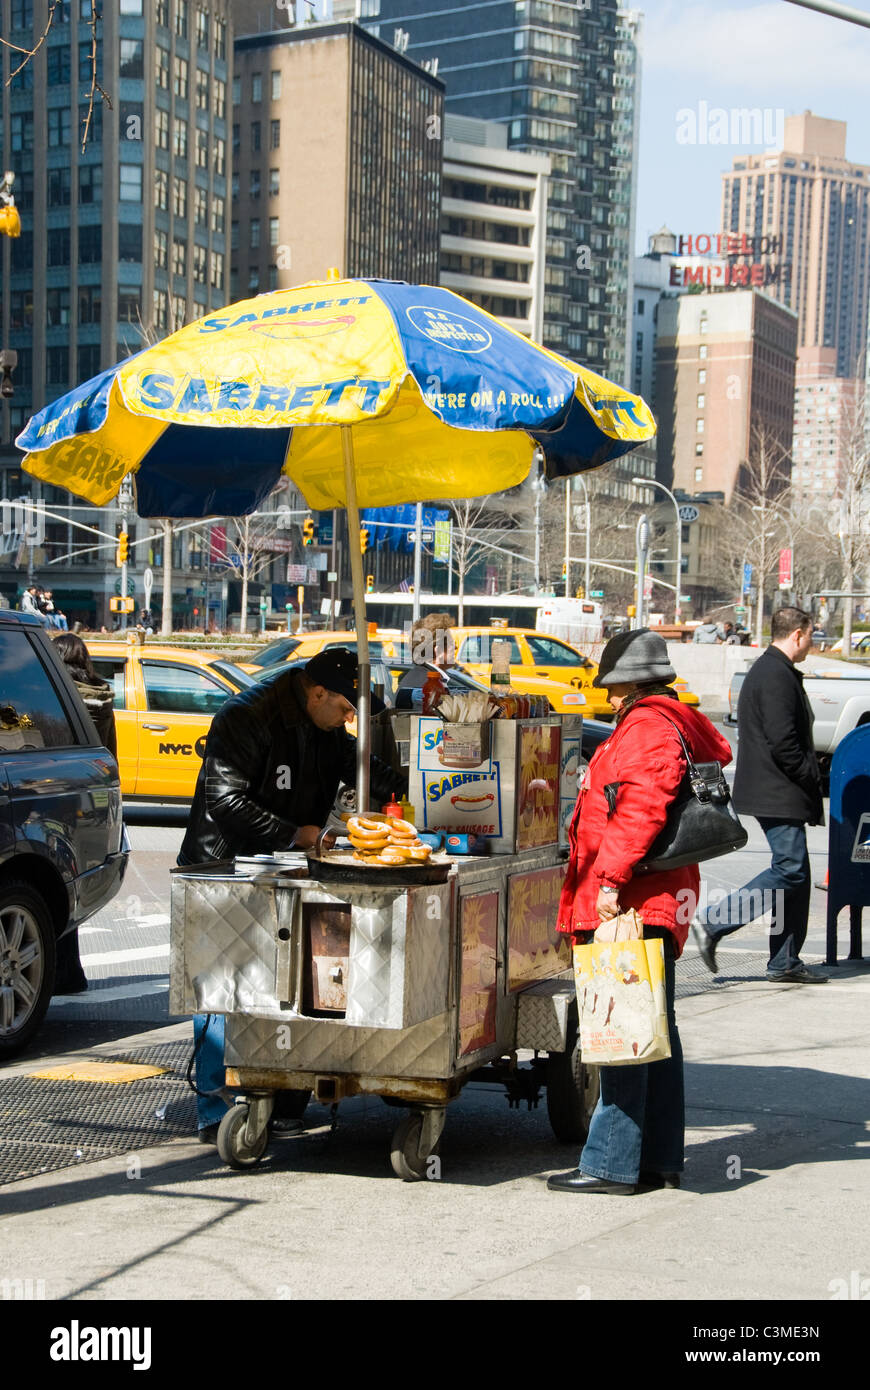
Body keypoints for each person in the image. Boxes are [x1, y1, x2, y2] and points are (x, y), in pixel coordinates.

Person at [179, 647, 407, 1143]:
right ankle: (215, 1107)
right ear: (316, 692)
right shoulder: (245, 716)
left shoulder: (326, 727)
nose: (348, 720)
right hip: (227, 864)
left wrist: (420, 790)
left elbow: (364, 768)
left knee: (297, 979)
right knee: (225, 987)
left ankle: (283, 1097)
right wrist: (297, 834)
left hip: (292, 867)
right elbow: (225, 799)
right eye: (345, 709)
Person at [548, 628, 733, 1195]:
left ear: (628, 683)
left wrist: (607, 882)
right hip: (651, 896)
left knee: (622, 1025)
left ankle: (610, 1163)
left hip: (633, 899)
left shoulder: (649, 727)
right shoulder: (663, 720)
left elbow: (640, 810)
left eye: (610, 684)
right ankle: (655, 1160)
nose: (605, 696)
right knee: (654, 1030)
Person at [692, 606, 827, 984]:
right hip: (778, 790)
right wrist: (809, 776)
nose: (811, 643)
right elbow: (784, 742)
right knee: (791, 868)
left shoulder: (773, 671)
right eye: (811, 635)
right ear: (798, 634)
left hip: (778, 789)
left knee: (797, 873)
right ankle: (715, 922)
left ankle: (785, 961)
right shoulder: (775, 675)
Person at [51, 632, 118, 993]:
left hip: (56, 797)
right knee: (73, 886)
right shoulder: (103, 697)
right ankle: (71, 971)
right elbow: (111, 754)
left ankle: (58, 973)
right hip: (91, 804)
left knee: (51, 884)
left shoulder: (59, 696)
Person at [395, 611, 456, 705]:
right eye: (452, 643)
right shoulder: (431, 685)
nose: (456, 647)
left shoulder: (417, 675)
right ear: (438, 650)